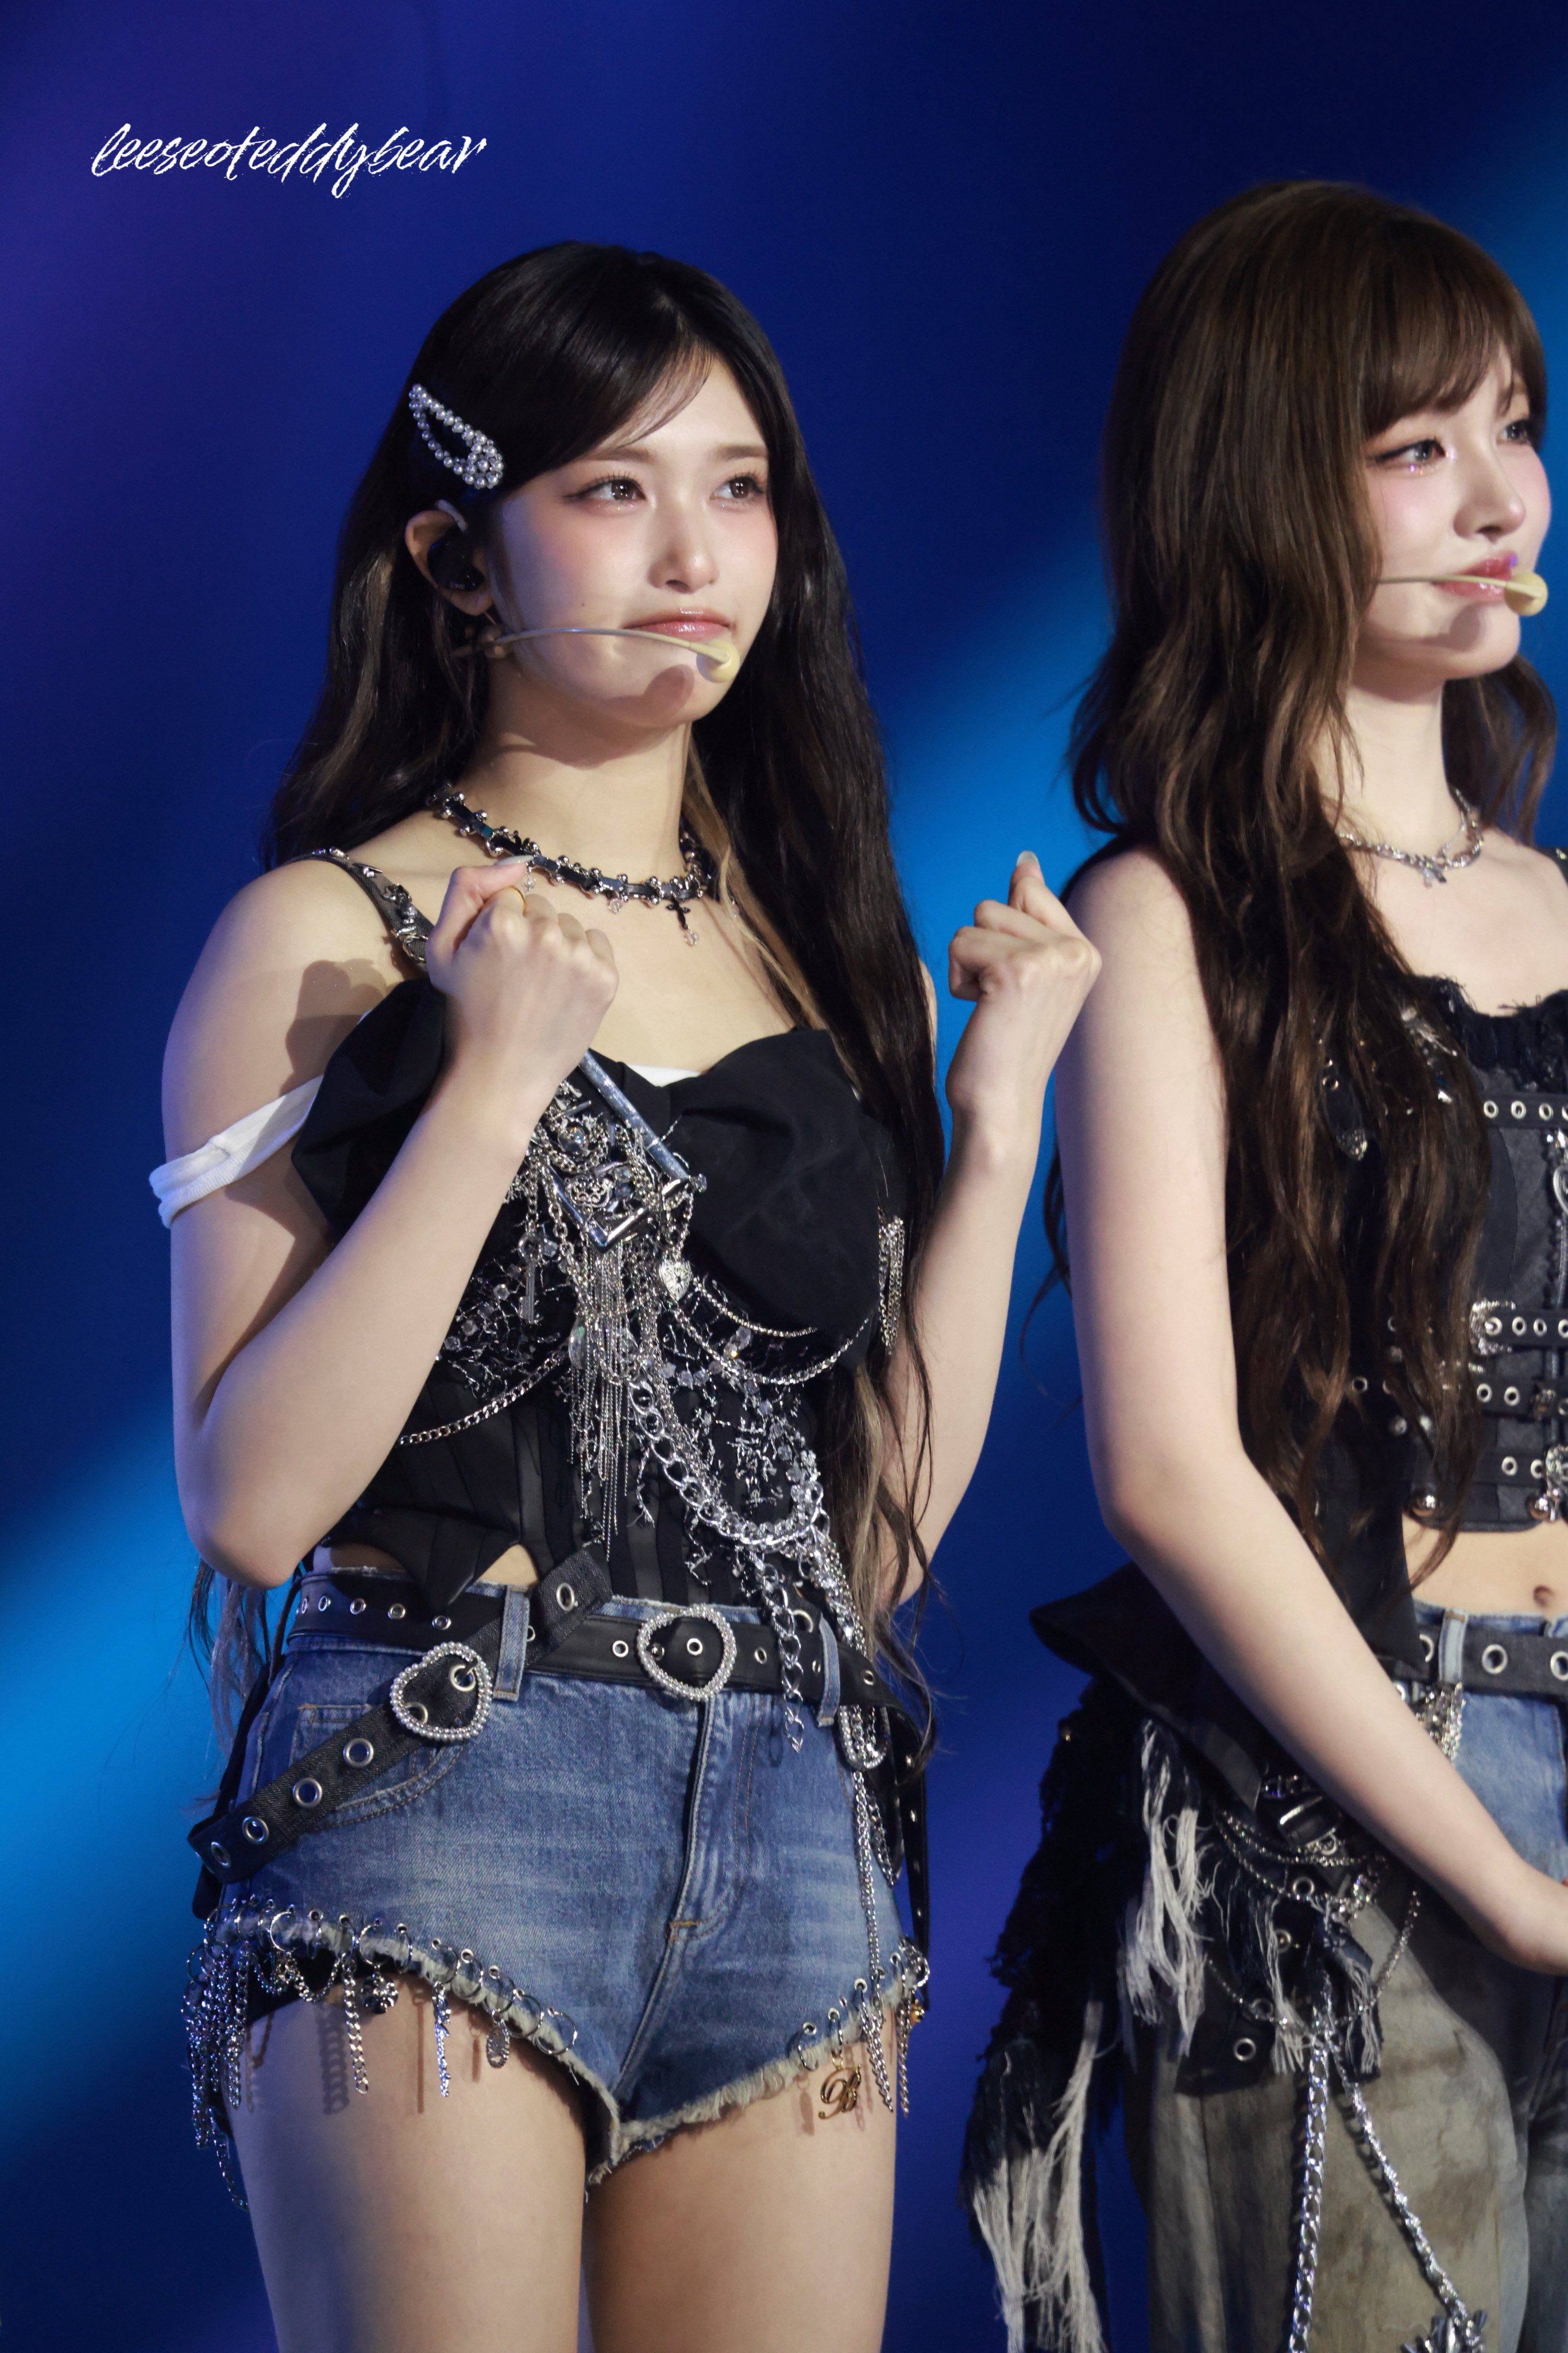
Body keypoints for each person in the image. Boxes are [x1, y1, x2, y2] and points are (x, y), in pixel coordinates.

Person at [157, 241, 1098, 2353]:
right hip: (443, 1785)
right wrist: (489, 1084)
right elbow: (252, 1502)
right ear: (454, 556)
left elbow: (869, 1553)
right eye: (610, 489)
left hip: (795, 1807)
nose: (695, 554)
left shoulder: (813, 954)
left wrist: (1000, 1125)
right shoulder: (322, 934)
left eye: (738, 488)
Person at [963, 183, 1568, 2353]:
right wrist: (1508, 1890)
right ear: (1258, 484)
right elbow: (1165, 1469)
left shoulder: (1560, 907)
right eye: (1416, 446)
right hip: (1333, 1812)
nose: (1501, 500)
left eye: (1513, 426)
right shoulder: (1164, 918)